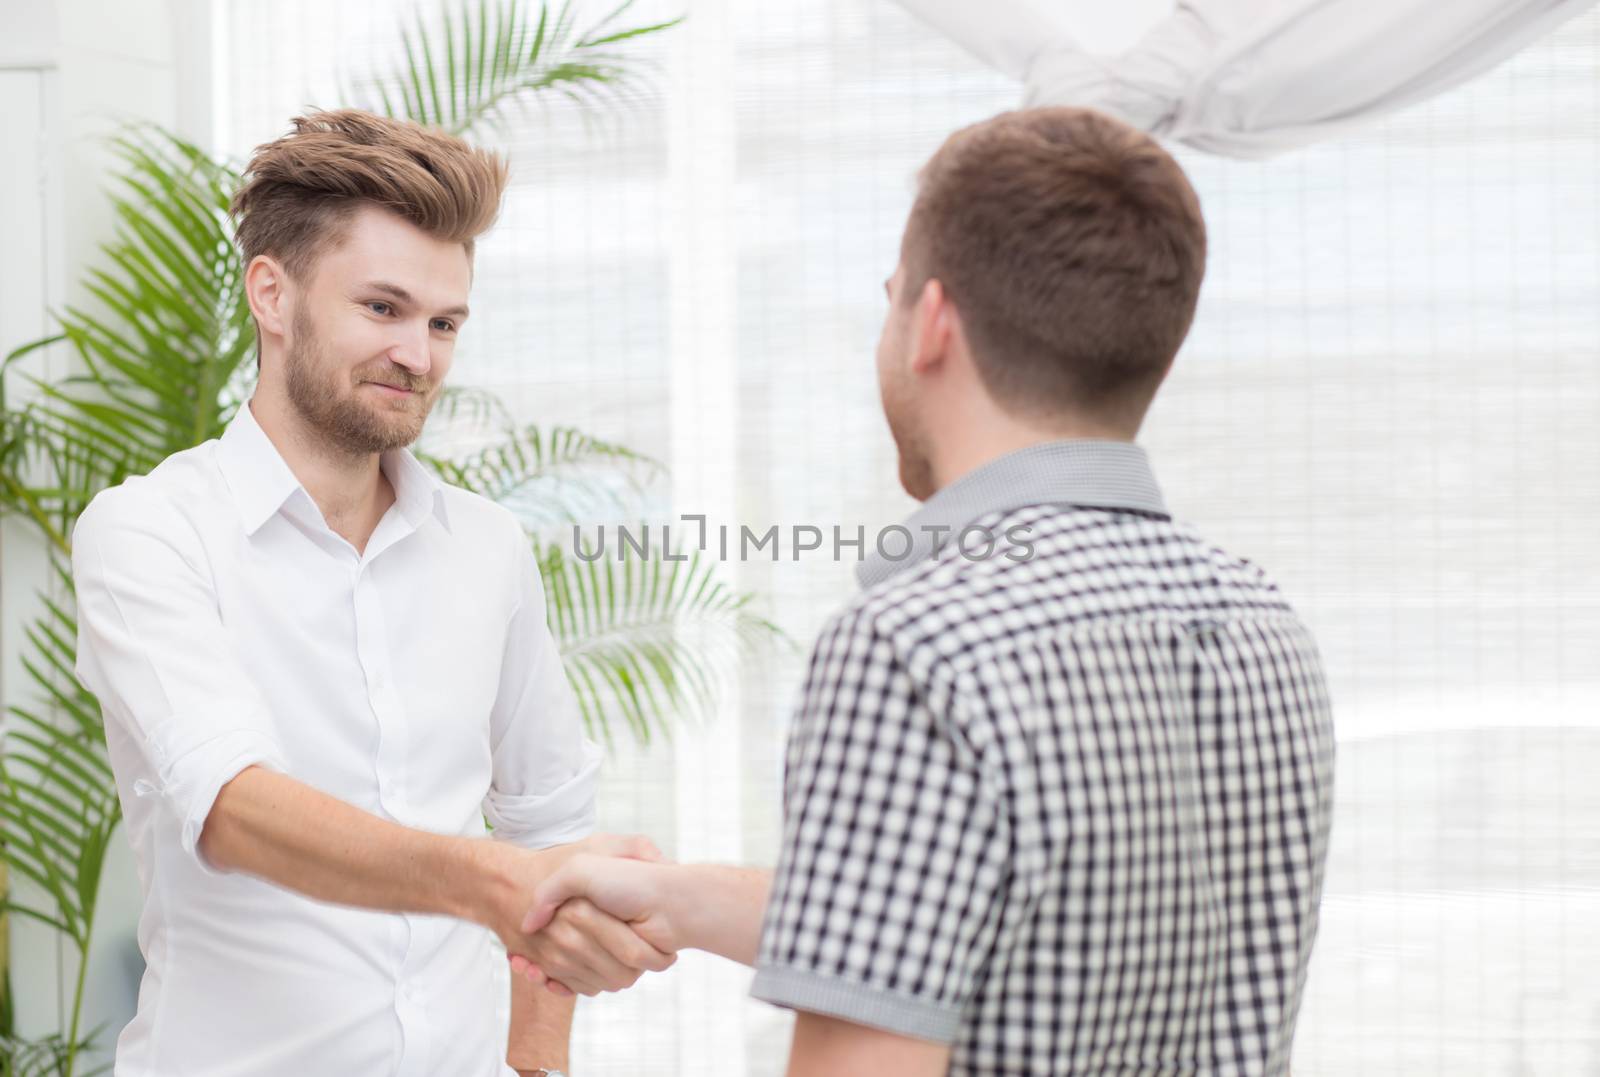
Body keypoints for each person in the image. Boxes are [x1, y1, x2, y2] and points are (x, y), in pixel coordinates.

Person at [516, 106, 1338, 1076]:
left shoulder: (917, 648)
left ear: (933, 324)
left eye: (890, 298)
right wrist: (687, 900)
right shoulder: (1263, 629)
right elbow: (1037, 919)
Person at [69, 108, 669, 1077]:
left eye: (443, 323)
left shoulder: (489, 549)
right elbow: (235, 808)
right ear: (272, 293)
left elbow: (550, 825)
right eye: (383, 310)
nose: (419, 357)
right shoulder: (148, 534)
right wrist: (495, 882)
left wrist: (538, 1061)